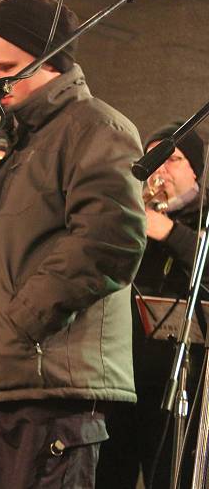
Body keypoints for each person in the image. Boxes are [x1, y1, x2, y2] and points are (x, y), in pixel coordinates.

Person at [0, 0, 146, 488]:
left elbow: (112, 238)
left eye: (9, 68)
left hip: (49, 384)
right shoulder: (14, 144)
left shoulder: (97, 128)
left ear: (52, 60)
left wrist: (24, 319)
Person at [96, 124, 207, 488]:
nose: (160, 171)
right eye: (154, 160)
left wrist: (171, 233)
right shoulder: (132, 215)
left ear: (196, 170)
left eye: (172, 160)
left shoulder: (202, 218)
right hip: (121, 376)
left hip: (179, 384)